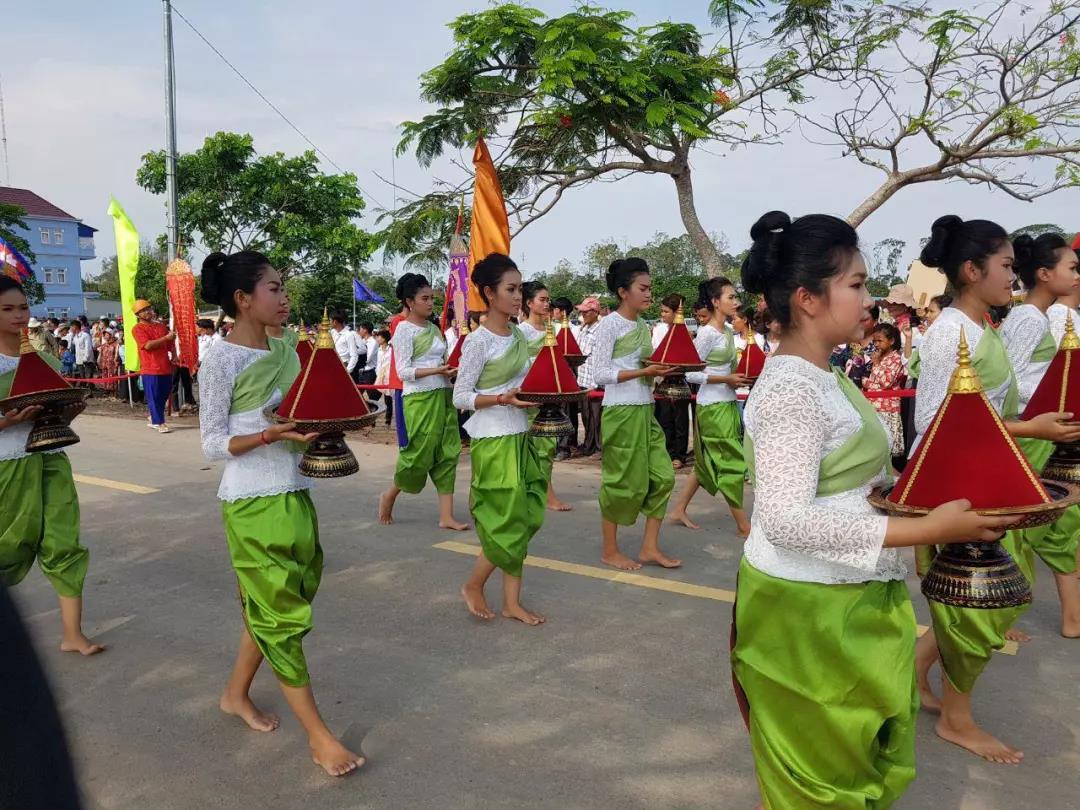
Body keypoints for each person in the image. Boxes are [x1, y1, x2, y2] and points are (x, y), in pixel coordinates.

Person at [731, 210, 1014, 809]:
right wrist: (930, 528)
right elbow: (783, 519)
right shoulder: (790, 388)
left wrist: (913, 506)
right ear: (807, 299)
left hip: (849, 591)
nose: (870, 299)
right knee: (822, 774)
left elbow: (852, 482)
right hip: (807, 607)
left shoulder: (825, 374)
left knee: (847, 756)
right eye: (856, 285)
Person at [912, 215, 1080, 765]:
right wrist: (1032, 429)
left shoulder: (982, 328)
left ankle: (917, 670)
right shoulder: (949, 333)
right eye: (1007, 266)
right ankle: (956, 719)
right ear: (971, 269)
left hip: (989, 477)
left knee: (990, 600)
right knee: (977, 603)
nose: (1014, 275)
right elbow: (940, 421)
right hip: (958, 487)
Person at [198, 250, 364, 777]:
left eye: (284, 286)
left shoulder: (291, 349)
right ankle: (319, 737)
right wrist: (270, 433)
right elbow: (211, 443)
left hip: (294, 491)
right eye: (274, 287)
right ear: (244, 299)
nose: (285, 296)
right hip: (250, 499)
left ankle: (234, 694)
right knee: (281, 616)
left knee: (279, 604)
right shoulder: (220, 359)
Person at [0, 276, 103, 657]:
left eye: (22, 307)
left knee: (64, 541)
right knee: (7, 547)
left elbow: (52, 416)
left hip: (50, 458)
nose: (18, 315)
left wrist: (68, 414)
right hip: (6, 467)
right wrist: (10, 421)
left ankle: (73, 634)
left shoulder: (43, 359)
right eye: (7, 309)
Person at [453, 253, 547, 625]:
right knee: (505, 520)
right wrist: (501, 398)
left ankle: (511, 602)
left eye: (520, 288)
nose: (518, 295)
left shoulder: (521, 335)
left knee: (522, 519)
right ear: (489, 294)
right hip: (493, 438)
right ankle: (475, 585)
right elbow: (460, 396)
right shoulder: (479, 341)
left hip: (522, 434)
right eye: (511, 289)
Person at [1001, 232, 1080, 639]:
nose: (1077, 275)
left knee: (1061, 522)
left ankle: (1071, 617)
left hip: (1045, 434)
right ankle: (1002, 613)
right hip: (1029, 436)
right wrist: (1032, 422)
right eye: (1072, 267)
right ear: (1046, 274)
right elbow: (1006, 382)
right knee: (1023, 525)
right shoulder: (1029, 319)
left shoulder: (1038, 317)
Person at [586, 258, 679, 571]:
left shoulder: (642, 324)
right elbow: (599, 373)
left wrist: (659, 370)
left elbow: (644, 367)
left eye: (650, 288)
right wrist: (644, 371)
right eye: (643, 288)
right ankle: (609, 550)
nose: (649, 294)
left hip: (644, 408)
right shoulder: (608, 325)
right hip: (620, 411)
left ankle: (649, 546)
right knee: (622, 482)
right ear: (623, 292)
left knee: (664, 476)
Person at [379, 273, 467, 531]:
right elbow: (404, 371)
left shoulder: (433, 329)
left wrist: (448, 371)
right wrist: (437, 371)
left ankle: (446, 516)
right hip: (418, 399)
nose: (430, 303)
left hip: (442, 395)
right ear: (409, 301)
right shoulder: (403, 330)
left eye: (432, 298)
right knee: (418, 453)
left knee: (448, 451)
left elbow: (442, 361)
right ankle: (390, 495)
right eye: (424, 298)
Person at [668, 278, 753, 535]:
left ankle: (678, 508)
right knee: (732, 463)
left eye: (735, 296)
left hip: (727, 403)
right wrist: (725, 379)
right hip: (712, 406)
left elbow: (731, 368)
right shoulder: (706, 334)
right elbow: (690, 373)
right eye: (730, 297)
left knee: (705, 462)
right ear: (716, 302)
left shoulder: (727, 331)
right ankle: (742, 525)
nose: (736, 302)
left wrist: (743, 375)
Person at [518, 281, 572, 511]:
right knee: (535, 444)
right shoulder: (521, 332)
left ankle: (542, 490)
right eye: (542, 299)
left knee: (548, 444)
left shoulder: (554, 329)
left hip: (550, 396)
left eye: (548, 299)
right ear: (529, 303)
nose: (547, 303)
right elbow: (519, 364)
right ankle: (544, 493)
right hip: (530, 395)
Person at [652, 294, 691, 470]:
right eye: (662, 311)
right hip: (662, 377)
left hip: (680, 377)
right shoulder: (659, 329)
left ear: (676, 312)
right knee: (664, 418)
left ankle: (679, 455)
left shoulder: (685, 331)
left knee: (680, 419)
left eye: (666, 311)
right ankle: (666, 452)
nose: (663, 314)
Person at [862, 322, 907, 461]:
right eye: (874, 341)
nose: (876, 344)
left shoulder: (895, 358)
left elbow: (886, 382)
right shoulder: (878, 356)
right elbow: (868, 381)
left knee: (886, 449)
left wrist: (876, 365)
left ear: (892, 341)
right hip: (873, 407)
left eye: (880, 341)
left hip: (887, 408)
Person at [132, 300, 176, 434]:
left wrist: (174, 354)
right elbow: (147, 345)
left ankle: (153, 417)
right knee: (154, 396)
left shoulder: (161, 326)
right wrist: (166, 338)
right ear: (138, 315)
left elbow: (170, 345)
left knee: (163, 395)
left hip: (165, 367)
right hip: (150, 368)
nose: (148, 312)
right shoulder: (137, 329)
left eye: (149, 309)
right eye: (144, 310)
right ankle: (159, 422)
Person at [575, 297, 603, 456]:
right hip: (583, 379)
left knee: (596, 417)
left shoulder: (600, 330)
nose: (583, 314)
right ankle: (588, 444)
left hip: (594, 381)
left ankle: (598, 447)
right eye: (582, 311)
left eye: (586, 311)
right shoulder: (583, 328)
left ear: (595, 312)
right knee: (586, 416)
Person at [330, 312, 360, 382]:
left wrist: (348, 371)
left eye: (330, 320)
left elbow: (354, 355)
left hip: (344, 364)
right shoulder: (332, 332)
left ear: (335, 322)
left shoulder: (349, 335)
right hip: (333, 364)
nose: (329, 322)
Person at [374, 329, 394, 426]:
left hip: (388, 376)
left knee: (388, 398)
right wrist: (377, 373)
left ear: (385, 338)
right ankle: (372, 419)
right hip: (380, 375)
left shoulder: (391, 350)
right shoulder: (379, 350)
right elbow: (378, 363)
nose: (377, 338)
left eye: (379, 337)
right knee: (374, 397)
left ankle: (388, 420)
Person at [97, 330, 120, 395]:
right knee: (105, 375)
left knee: (112, 376)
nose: (105, 336)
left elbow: (117, 354)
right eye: (105, 335)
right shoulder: (104, 345)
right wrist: (100, 362)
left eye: (107, 335)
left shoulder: (116, 344)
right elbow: (101, 354)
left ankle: (113, 390)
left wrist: (116, 363)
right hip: (104, 363)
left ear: (111, 335)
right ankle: (106, 389)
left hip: (112, 364)